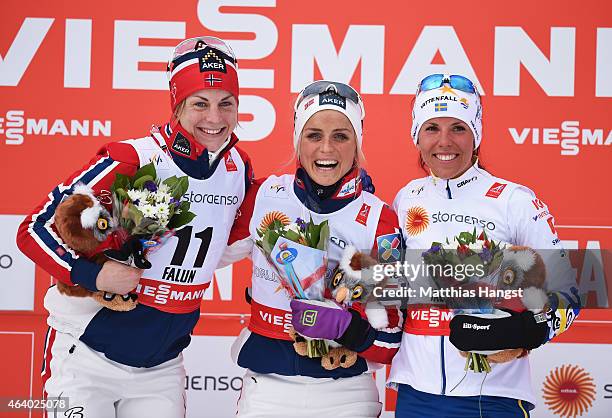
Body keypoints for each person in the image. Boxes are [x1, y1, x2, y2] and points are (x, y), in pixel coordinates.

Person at [16, 36, 253, 418]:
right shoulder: (133, 157)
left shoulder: (237, 169)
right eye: (200, 103)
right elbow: (34, 228)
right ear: (177, 104)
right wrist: (92, 274)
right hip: (86, 360)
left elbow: (221, 248)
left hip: (160, 369)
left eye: (226, 103)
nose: (214, 118)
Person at [388, 74, 582, 417]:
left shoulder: (514, 200)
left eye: (459, 128)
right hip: (416, 393)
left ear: (476, 135)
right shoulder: (406, 199)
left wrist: (526, 331)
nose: (445, 142)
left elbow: (570, 294)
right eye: (432, 127)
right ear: (416, 135)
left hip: (491, 395)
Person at [220, 80, 403, 417]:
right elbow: (203, 258)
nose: (326, 149)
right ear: (297, 140)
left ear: (357, 143)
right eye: (314, 135)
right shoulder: (263, 195)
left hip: (347, 394)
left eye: (341, 136)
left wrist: (345, 328)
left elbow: (390, 340)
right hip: (267, 390)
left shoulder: (380, 219)